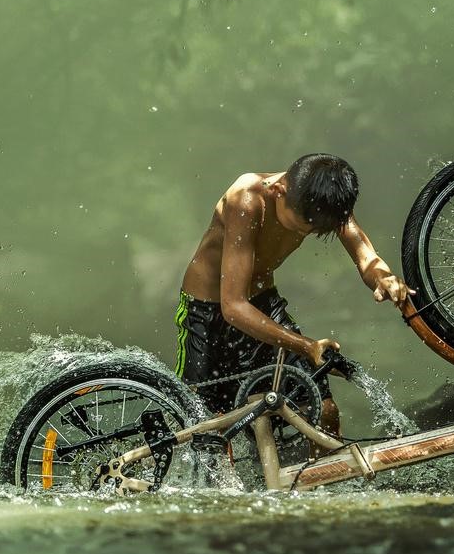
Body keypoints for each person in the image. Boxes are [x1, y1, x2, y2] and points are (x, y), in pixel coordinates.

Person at [174, 153, 413, 431]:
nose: (308, 232)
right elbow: (233, 307)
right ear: (278, 191)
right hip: (209, 312)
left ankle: (321, 470)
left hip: (263, 303)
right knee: (207, 426)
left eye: (314, 230)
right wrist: (306, 346)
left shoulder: (323, 198)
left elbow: (365, 257)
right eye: (302, 226)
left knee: (323, 411)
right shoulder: (247, 199)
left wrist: (384, 279)